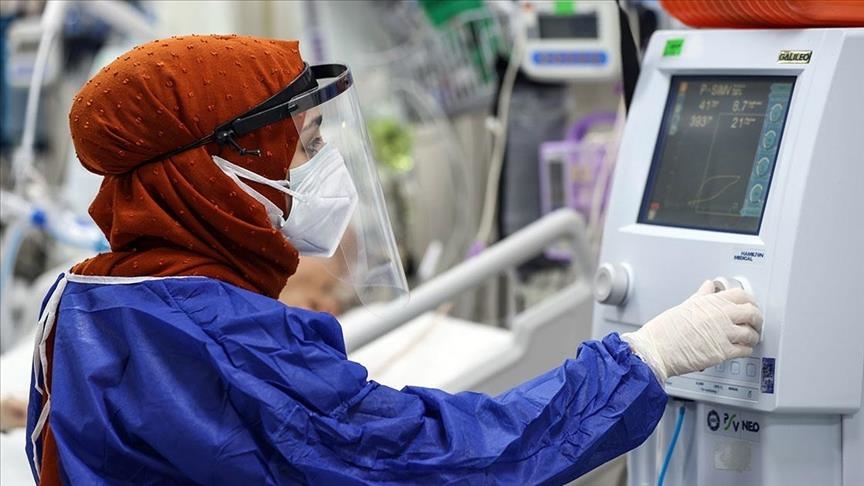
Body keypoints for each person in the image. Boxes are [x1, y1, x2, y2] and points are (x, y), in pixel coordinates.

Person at [25, 35, 762, 485]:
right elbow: (436, 461)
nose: (325, 167)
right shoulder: (228, 340)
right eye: (307, 145)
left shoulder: (83, 302)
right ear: (218, 171)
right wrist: (641, 361)